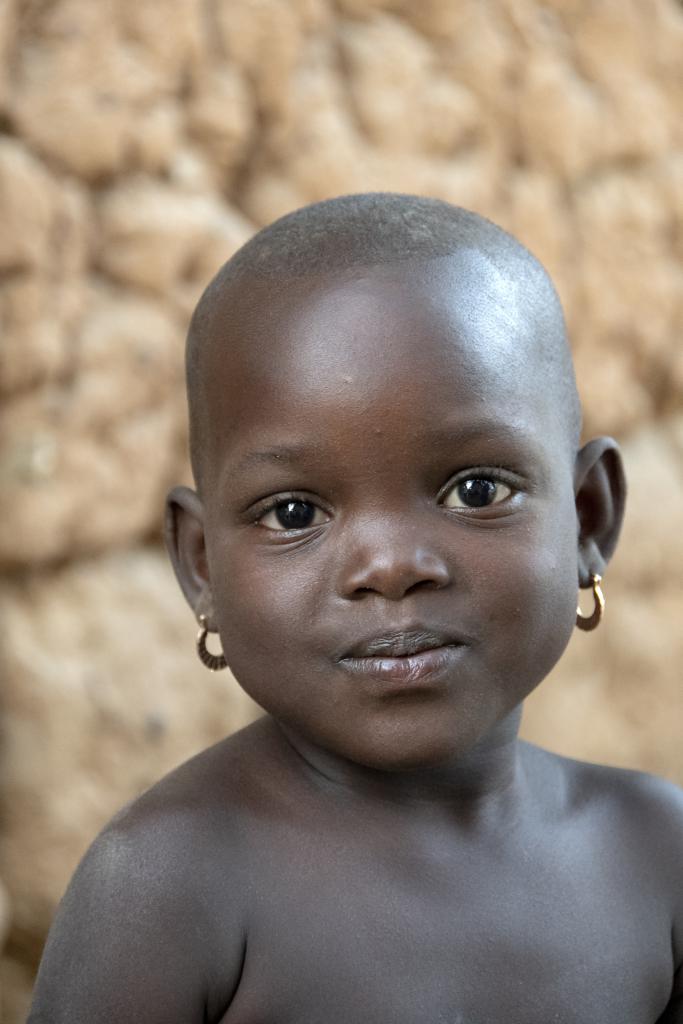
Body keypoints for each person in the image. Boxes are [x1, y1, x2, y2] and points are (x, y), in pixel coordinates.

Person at [28, 194, 682, 1023]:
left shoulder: (653, 855)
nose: (390, 567)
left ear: (587, 517)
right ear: (202, 567)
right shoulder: (168, 889)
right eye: (294, 513)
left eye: (475, 490)